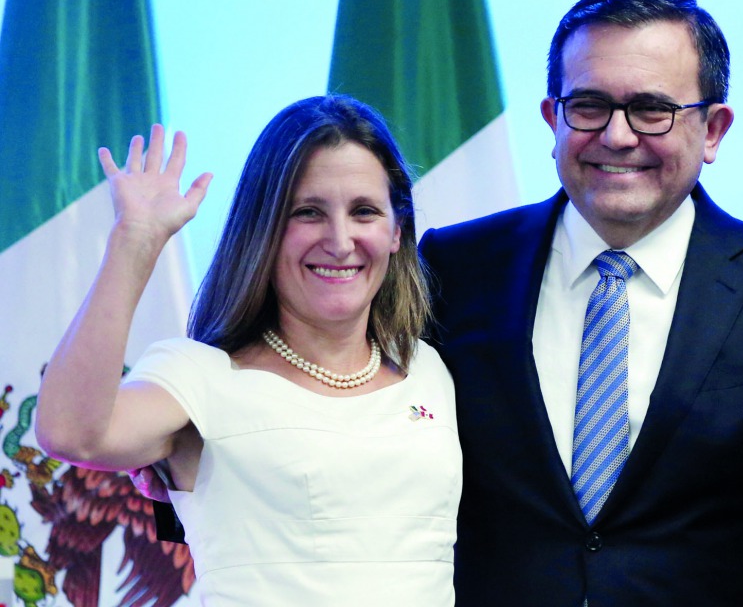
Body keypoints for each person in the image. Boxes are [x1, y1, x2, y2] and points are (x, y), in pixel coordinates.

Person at [418, 0, 743, 606]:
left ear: (713, 130)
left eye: (652, 109)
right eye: (589, 105)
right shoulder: (455, 270)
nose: (618, 136)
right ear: (553, 118)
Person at [35, 96, 461, 605]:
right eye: (308, 212)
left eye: (364, 212)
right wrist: (135, 242)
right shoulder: (199, 376)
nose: (341, 240)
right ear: (265, 229)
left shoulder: (429, 369)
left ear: (397, 230)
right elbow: (69, 435)